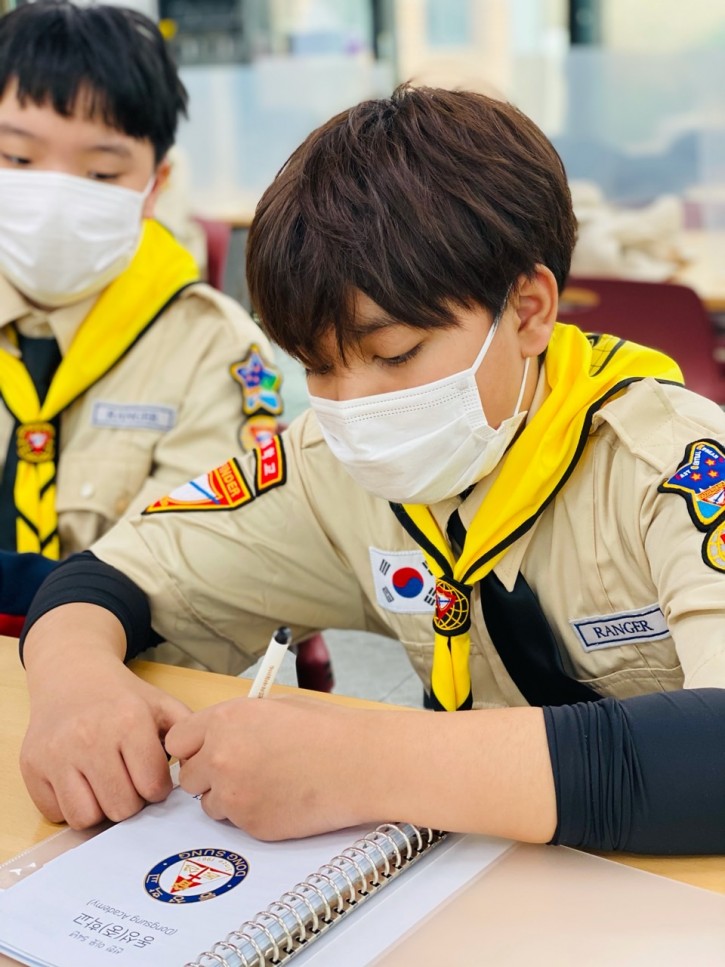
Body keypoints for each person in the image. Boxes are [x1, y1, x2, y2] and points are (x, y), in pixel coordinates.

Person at [18, 85, 725, 853]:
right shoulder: (332, 466)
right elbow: (115, 575)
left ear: (527, 311)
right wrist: (74, 680)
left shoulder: (668, 465)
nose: (351, 405)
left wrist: (365, 761)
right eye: (317, 367)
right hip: (483, 881)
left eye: (394, 354)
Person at [0, 1, 281, 651]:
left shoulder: (212, 348)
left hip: (118, 686)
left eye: (100, 173)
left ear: (155, 185)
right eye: (17, 158)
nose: (55, 198)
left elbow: (186, 591)